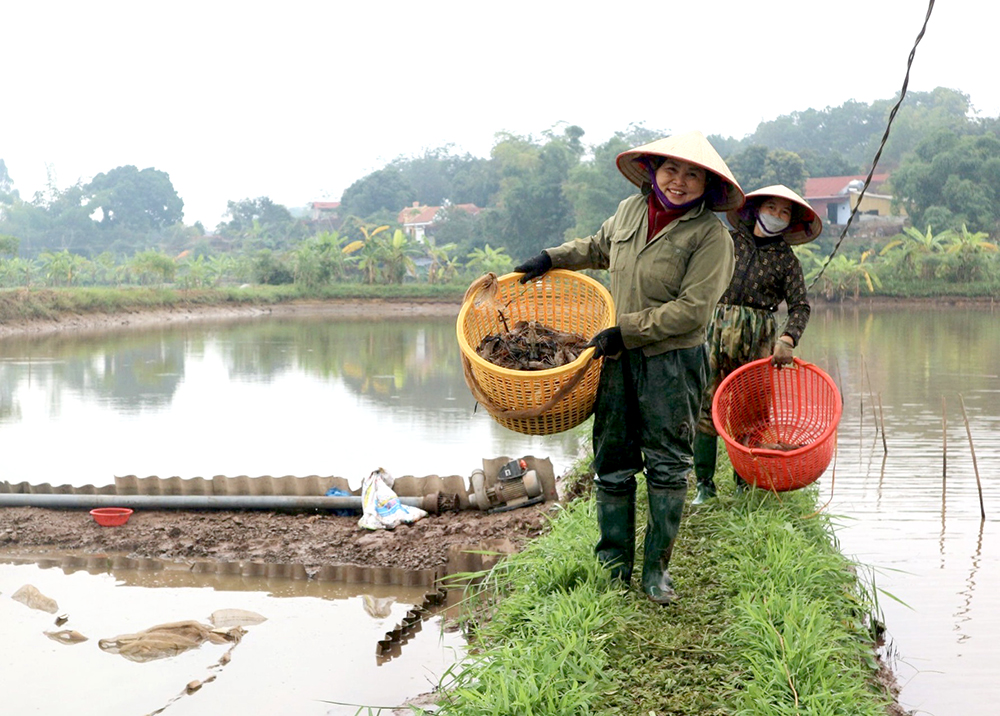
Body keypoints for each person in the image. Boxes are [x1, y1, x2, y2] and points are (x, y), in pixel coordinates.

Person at [513, 131, 744, 604]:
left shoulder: (711, 237)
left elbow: (695, 310)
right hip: (619, 360)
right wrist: (550, 259)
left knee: (666, 464)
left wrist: (628, 329)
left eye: (691, 175)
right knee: (613, 462)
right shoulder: (630, 211)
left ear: (706, 184)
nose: (678, 182)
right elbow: (598, 246)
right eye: (671, 170)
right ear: (653, 171)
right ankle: (613, 566)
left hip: (672, 363)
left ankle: (656, 573)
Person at [691, 185, 822, 504]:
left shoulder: (787, 261)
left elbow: (800, 306)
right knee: (704, 407)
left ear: (790, 222)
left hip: (758, 336)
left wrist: (788, 338)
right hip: (715, 330)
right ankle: (704, 485)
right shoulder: (728, 242)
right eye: (772, 208)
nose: (776, 216)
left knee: (750, 413)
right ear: (756, 209)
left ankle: (744, 484)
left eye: (784, 212)